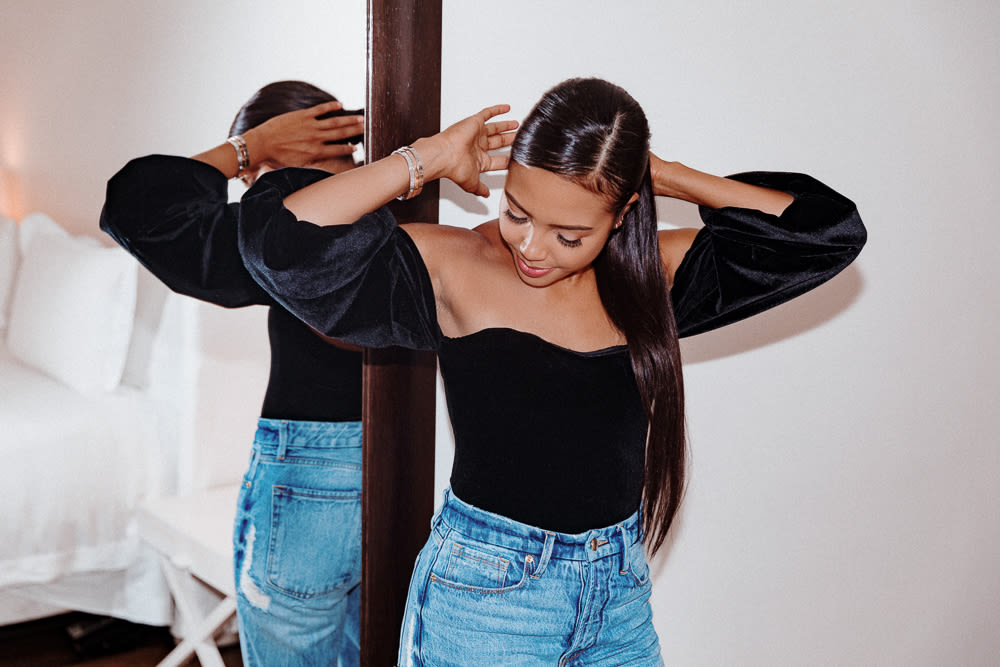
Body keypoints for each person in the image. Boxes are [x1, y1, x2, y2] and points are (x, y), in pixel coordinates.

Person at [237, 77, 866, 666]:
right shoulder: (454, 264)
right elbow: (282, 242)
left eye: (569, 235)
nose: (532, 248)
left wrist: (665, 177)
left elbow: (824, 233)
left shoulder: (651, 278)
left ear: (621, 214)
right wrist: (425, 158)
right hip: (484, 601)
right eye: (517, 212)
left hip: (617, 596)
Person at [100, 80, 367, 667]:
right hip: (409, 472)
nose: (248, 188)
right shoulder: (401, 216)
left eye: (251, 175)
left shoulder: (286, 234)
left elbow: (139, 207)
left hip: (310, 475)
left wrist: (249, 147)